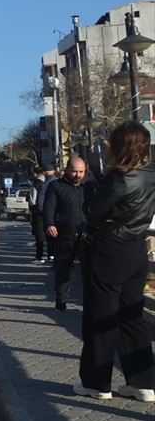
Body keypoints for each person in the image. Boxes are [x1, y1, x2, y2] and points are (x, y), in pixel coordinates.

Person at [74, 121, 155, 402]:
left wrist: (89, 189)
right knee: (132, 316)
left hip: (110, 249)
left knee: (101, 316)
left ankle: (97, 384)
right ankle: (143, 383)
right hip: (136, 249)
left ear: (119, 147)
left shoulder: (120, 178)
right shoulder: (151, 174)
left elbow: (92, 212)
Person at [43, 157, 88, 311]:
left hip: (86, 235)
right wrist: (49, 223)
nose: (78, 175)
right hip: (64, 234)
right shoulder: (56, 186)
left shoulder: (88, 187)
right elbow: (49, 207)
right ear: (67, 170)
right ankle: (61, 300)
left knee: (88, 269)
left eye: (81, 172)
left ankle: (89, 301)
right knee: (63, 268)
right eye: (74, 171)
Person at [34, 165, 58, 263]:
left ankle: (51, 254)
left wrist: (43, 214)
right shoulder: (61, 182)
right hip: (61, 214)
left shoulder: (44, 185)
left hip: (49, 215)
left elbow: (40, 202)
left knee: (50, 236)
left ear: (45, 173)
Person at [27, 168, 47, 261]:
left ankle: (40, 256)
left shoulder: (35, 185)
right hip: (48, 210)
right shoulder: (49, 182)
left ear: (35, 174)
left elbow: (32, 201)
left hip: (37, 212)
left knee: (39, 234)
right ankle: (51, 255)